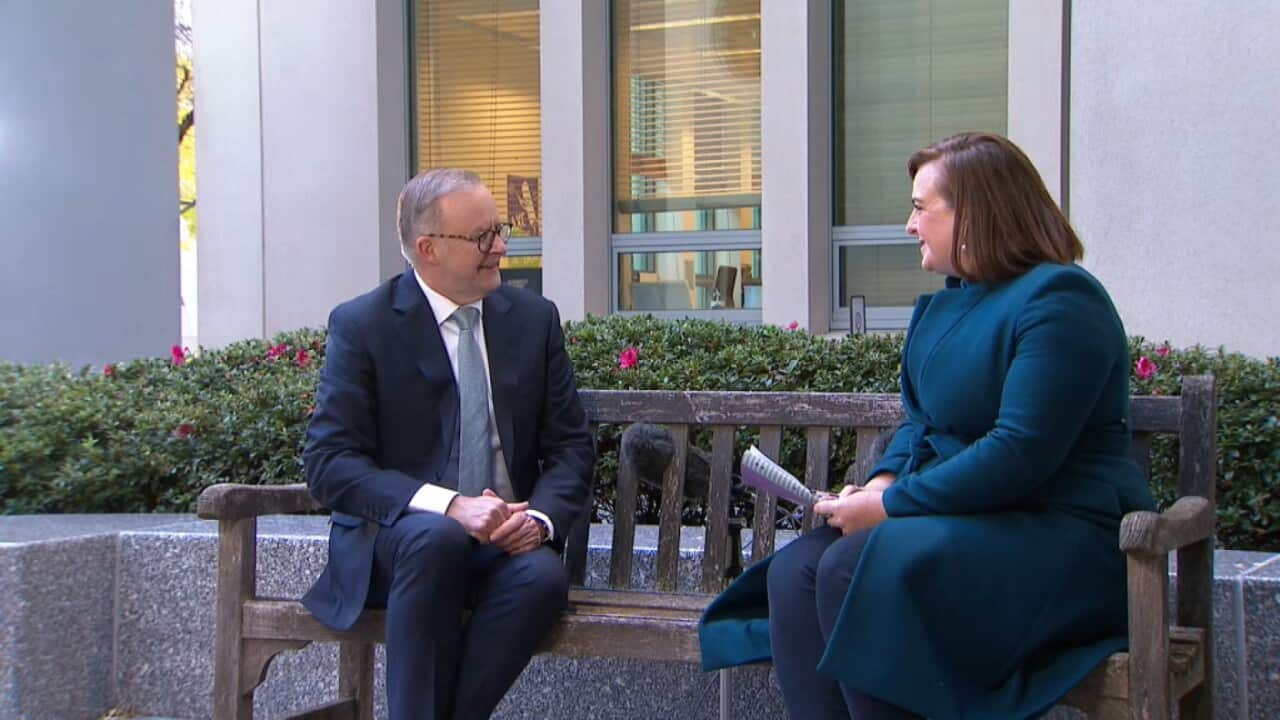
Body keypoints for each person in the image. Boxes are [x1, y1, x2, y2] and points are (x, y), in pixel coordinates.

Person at [699, 132, 1156, 719]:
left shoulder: (1063, 300)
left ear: (974, 213)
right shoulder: (950, 303)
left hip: (1056, 532)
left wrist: (891, 510)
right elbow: (920, 423)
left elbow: (1020, 454)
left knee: (850, 568)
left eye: (920, 208)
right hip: (965, 522)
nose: (909, 225)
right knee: (795, 572)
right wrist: (884, 483)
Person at [301, 168, 595, 720]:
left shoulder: (533, 320)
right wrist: (452, 506)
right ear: (428, 249)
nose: (500, 247)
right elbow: (330, 464)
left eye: (499, 230)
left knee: (542, 578)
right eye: (482, 237)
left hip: (506, 540)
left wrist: (539, 522)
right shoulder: (365, 325)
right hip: (399, 540)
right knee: (436, 540)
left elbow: (571, 447)